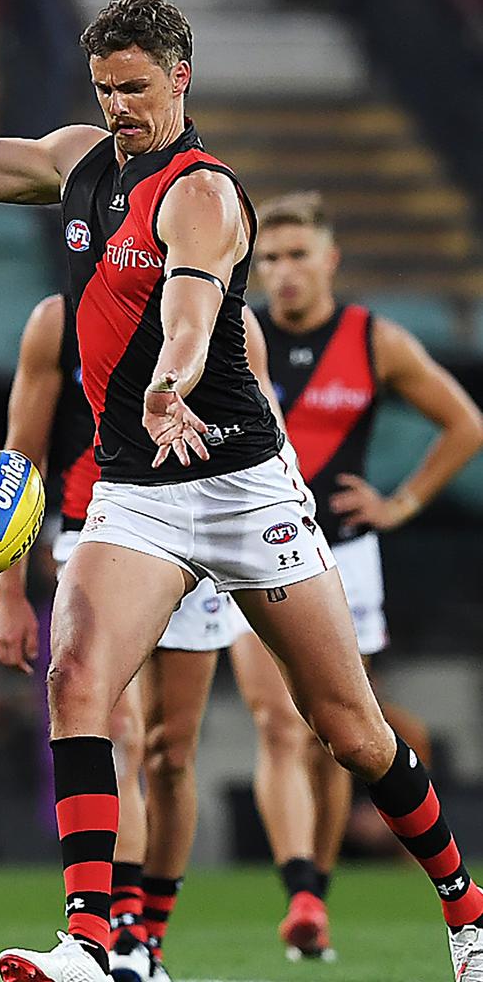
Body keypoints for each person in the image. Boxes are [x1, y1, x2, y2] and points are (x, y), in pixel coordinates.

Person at [0, 0, 483, 982]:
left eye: (135, 88)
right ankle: (95, 939)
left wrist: (168, 384)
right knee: (75, 676)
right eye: (104, 88)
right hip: (135, 492)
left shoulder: (202, 194)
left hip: (240, 488)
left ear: (180, 77)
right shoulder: (79, 159)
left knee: (348, 730)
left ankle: (463, 905)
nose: (119, 107)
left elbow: (188, 314)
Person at [228, 191, 483, 960]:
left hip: (344, 555)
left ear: (330, 260)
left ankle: (319, 893)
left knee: (334, 734)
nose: (284, 272)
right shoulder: (237, 336)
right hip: (250, 549)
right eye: (269, 258)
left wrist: (400, 503)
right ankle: (301, 891)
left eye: (298, 255)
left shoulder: (373, 340)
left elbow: (466, 422)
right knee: (275, 723)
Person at [0, 292, 250, 982]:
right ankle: (114, 933)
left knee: (170, 752)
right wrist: (7, 588)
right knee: (121, 733)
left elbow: (260, 429)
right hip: (101, 532)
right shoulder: (55, 320)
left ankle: (149, 940)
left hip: (200, 537)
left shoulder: (222, 314)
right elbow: (23, 458)